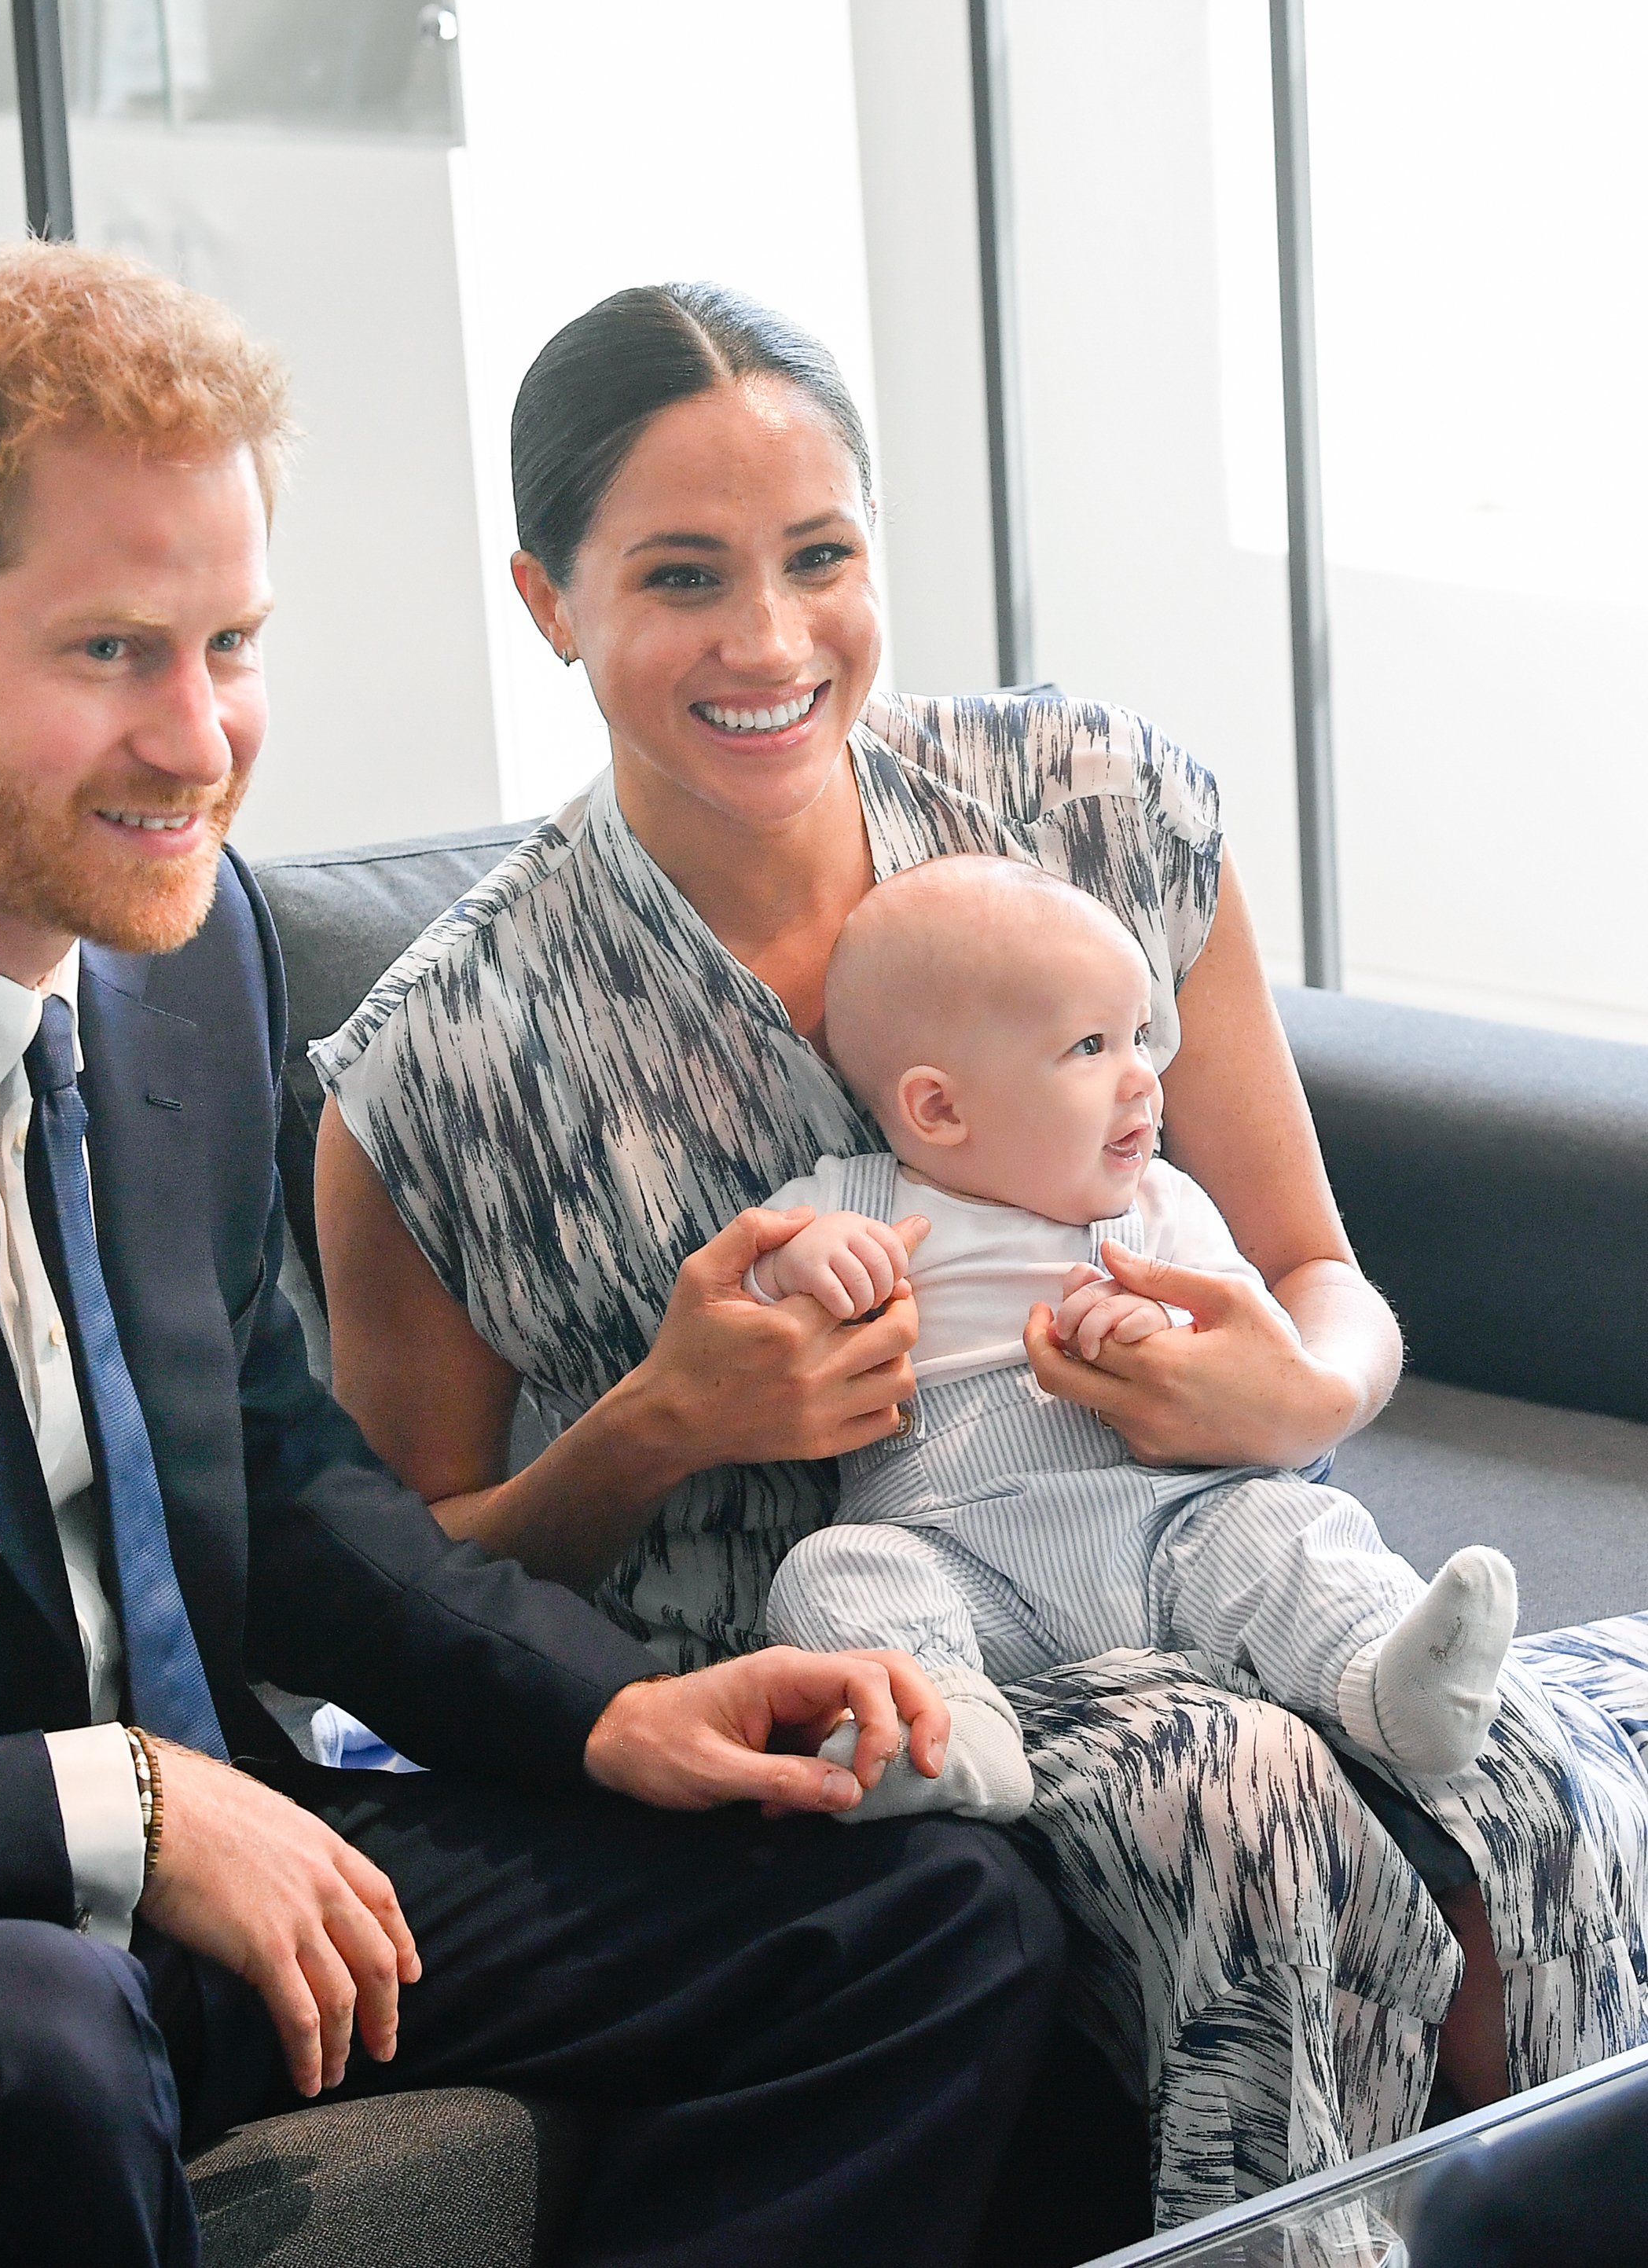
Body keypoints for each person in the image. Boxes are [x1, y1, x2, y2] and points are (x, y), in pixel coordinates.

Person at [0, 247, 1068, 2268]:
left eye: (232, 640)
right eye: (115, 651)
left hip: (199, 1865)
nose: (202, 738)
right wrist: (102, 1803)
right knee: (24, 2039)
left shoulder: (180, 960)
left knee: (918, 1915)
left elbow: (278, 1462)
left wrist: (600, 1711)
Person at [311, 279, 1648, 2225]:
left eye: (818, 558)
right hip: (882, 1688)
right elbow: (391, 1599)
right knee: (1243, 1802)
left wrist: (1300, 1382)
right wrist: (654, 1428)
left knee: (1523, 1773)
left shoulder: (1088, 811)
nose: (768, 641)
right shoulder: (438, 1066)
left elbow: (1319, 1275)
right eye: (680, 577)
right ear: (545, 602)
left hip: (1213, 1551)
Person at [747, 854, 1522, 1818]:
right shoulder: (854, 1203)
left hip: (1176, 1531)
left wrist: (1163, 1329)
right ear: (938, 1108)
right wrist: (802, 1265)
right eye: (1090, 1047)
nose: (1144, 1079)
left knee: (1292, 1532)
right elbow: (739, 1287)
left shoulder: (1161, 1208)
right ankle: (949, 1731)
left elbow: (1256, 1347)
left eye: (1143, 1036)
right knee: (833, 1573)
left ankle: (1386, 1682)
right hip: (963, 1557)